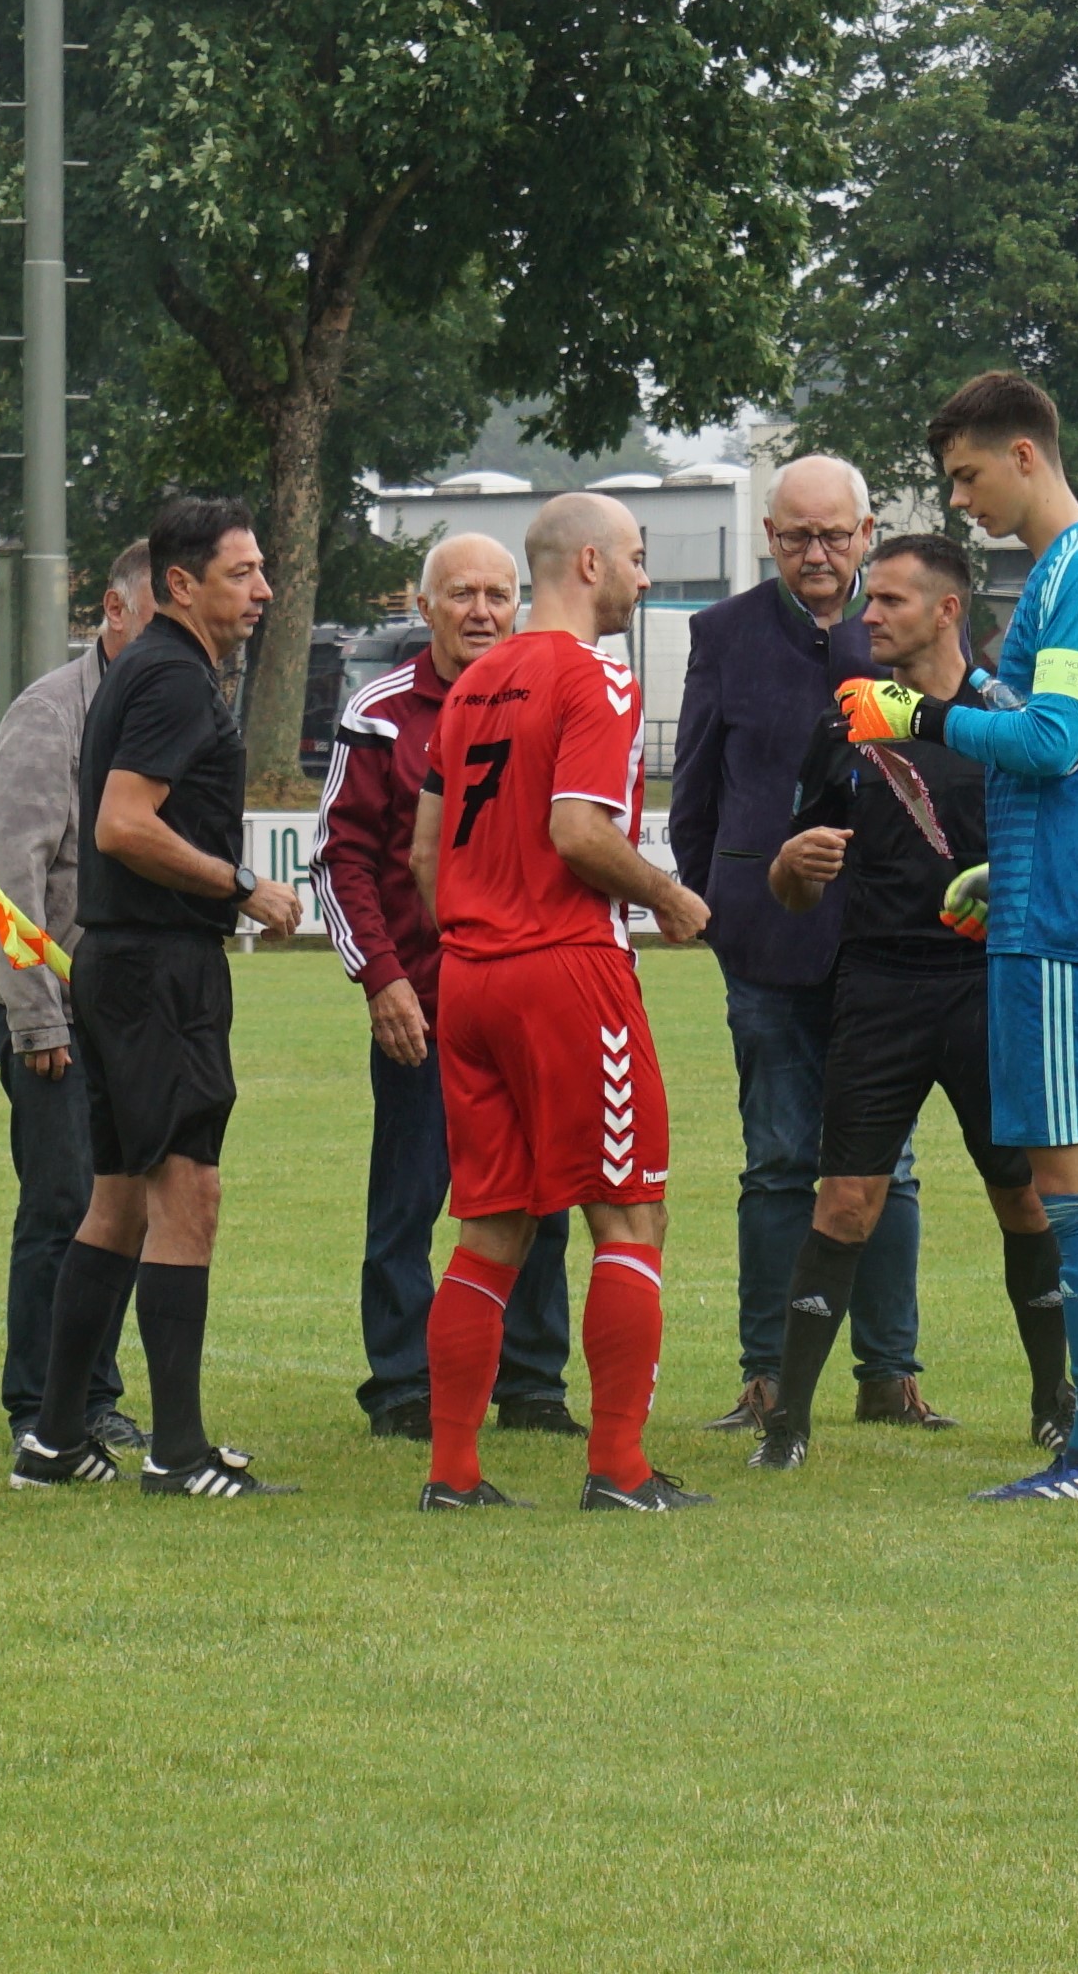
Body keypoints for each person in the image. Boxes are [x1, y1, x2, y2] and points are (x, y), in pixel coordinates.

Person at [836, 369, 1078, 1501]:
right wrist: (1023, 855)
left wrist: (925, 715)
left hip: (1056, 926)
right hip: (1059, 897)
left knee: (1076, 1189)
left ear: (1025, 455)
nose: (959, 502)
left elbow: (1049, 742)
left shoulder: (1077, 576)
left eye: (965, 476)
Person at [408, 492, 715, 1512]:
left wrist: (479, 926)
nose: (642, 575)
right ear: (588, 562)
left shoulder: (470, 682)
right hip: (565, 967)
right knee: (629, 1210)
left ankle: (453, 1472)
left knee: (491, 1223)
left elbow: (421, 853)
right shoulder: (596, 676)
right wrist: (669, 897)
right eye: (634, 556)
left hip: (469, 973)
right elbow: (579, 830)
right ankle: (619, 1469)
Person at [749, 532, 1073, 1471]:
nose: (868, 617)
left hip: (991, 987)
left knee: (1024, 1197)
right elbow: (794, 885)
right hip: (878, 989)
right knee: (846, 1199)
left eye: (888, 600)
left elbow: (1065, 850)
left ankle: (1053, 1400)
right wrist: (789, 867)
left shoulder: (1011, 721)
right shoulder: (847, 720)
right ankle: (790, 1422)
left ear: (946, 611)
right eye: (868, 600)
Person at [12, 496, 306, 1496]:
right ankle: (176, 1452)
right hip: (156, 969)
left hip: (123, 965)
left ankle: (54, 1438)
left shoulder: (151, 672)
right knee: (190, 1191)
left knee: (120, 1199)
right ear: (180, 584)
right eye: (241, 572)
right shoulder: (175, 677)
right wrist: (241, 885)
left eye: (261, 570)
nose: (262, 589)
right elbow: (122, 825)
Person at [668, 454, 934, 1433]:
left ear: (867, 533)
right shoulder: (722, 634)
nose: (816, 553)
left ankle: (888, 1373)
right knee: (777, 1161)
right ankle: (768, 1375)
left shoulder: (914, 621)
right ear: (768, 538)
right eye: (796, 536)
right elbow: (692, 792)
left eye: (834, 535)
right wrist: (715, 911)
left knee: (891, 1166)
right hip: (765, 942)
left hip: (892, 945)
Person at [310, 533, 578, 1442]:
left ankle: (534, 1380)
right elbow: (338, 857)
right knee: (411, 1199)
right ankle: (402, 1384)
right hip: (424, 1006)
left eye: (498, 594)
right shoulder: (382, 712)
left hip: (530, 995)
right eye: (459, 593)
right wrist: (380, 979)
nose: (480, 611)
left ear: (520, 604)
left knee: (543, 1192)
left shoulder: (554, 699)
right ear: (421, 608)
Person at [0, 539, 153, 1459]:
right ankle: (39, 1404)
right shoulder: (50, 715)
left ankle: (93, 1393)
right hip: (59, 1012)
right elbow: (8, 876)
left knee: (122, 1204)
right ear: (113, 613)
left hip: (130, 1015)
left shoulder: (160, 712)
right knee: (62, 1202)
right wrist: (35, 1013)